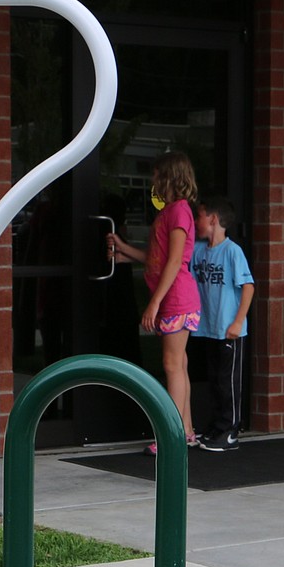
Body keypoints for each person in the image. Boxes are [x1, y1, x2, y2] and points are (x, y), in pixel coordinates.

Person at [108, 152, 201, 455]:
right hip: (177, 298)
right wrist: (124, 251)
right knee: (180, 364)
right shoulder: (172, 212)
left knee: (172, 365)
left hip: (176, 299)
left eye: (157, 174)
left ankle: (171, 436)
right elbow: (158, 260)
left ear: (169, 177)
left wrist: (154, 303)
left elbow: (175, 261)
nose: (152, 180)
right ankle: (185, 431)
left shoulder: (179, 212)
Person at [192, 196, 255, 452]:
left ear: (214, 219)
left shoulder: (232, 252)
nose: (197, 221)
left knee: (228, 381)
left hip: (229, 329)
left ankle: (230, 430)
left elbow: (248, 287)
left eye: (200, 216)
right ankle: (217, 425)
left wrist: (238, 322)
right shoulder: (198, 249)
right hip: (209, 327)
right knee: (214, 379)